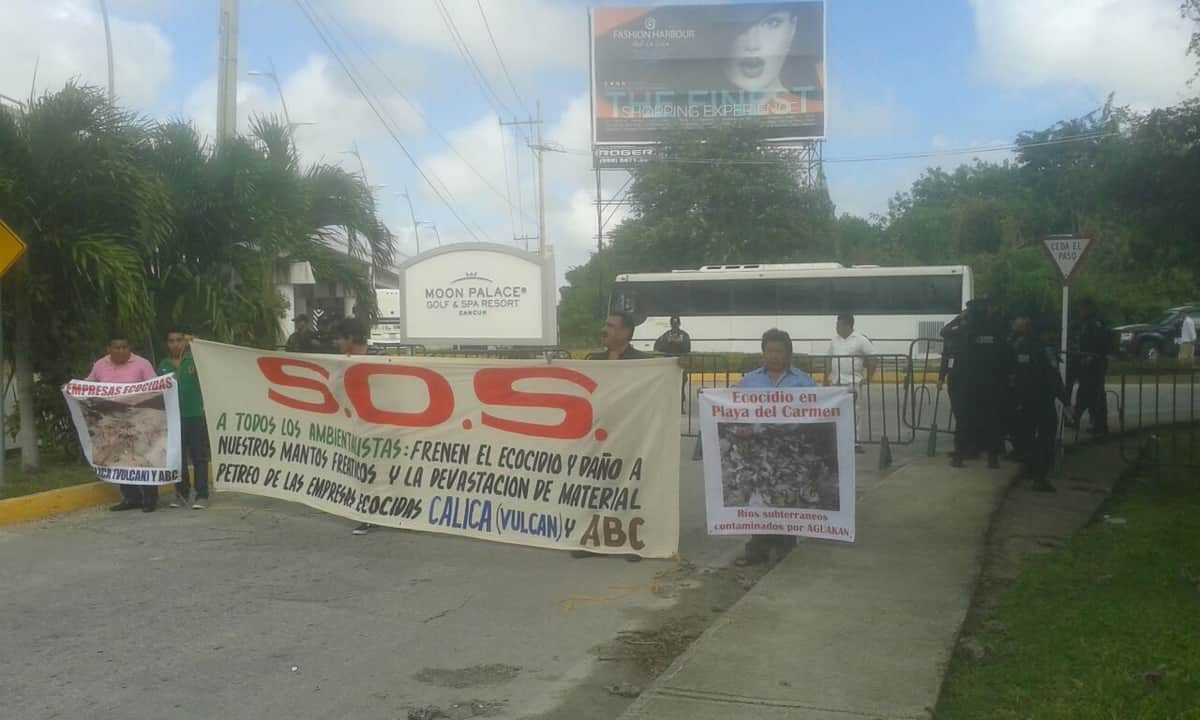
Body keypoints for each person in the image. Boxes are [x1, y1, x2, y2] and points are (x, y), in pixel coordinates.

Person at [734, 328, 818, 567]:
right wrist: (707, 397)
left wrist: (844, 398)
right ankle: (757, 547)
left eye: (779, 351)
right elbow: (729, 406)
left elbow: (823, 407)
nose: (774, 356)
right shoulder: (749, 381)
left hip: (791, 449)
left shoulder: (803, 382)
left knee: (786, 496)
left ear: (788, 353)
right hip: (758, 449)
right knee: (760, 496)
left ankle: (785, 546)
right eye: (769, 351)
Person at [574, 312, 650, 561]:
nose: (604, 329)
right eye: (605, 324)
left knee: (629, 488)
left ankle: (631, 541)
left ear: (625, 332)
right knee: (596, 487)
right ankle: (593, 540)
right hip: (600, 435)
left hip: (630, 434)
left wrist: (675, 369)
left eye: (610, 326)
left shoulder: (642, 362)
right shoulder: (595, 360)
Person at [86, 332, 160, 512]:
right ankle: (131, 497)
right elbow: (88, 385)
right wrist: (72, 388)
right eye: (116, 348)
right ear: (109, 349)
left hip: (138, 420)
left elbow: (156, 388)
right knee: (120, 458)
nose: (121, 351)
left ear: (129, 348)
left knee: (142, 457)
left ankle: (150, 498)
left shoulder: (142, 364)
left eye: (124, 347)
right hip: (113, 423)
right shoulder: (100, 365)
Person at [1014, 320, 1070, 492]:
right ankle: (1040, 478)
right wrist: (1066, 401)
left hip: (1024, 400)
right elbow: (1054, 377)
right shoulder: (1045, 349)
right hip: (1043, 401)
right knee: (1046, 438)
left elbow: (1014, 372)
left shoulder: (1020, 346)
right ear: (1044, 333)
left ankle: (1029, 470)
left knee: (1027, 436)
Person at [158, 327, 210, 510]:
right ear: (167, 344)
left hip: (194, 415)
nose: (175, 344)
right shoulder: (163, 365)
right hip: (174, 419)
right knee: (178, 458)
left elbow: (207, 353)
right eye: (171, 341)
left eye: (179, 340)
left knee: (199, 457)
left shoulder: (194, 359)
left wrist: (194, 340)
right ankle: (182, 493)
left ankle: (202, 495)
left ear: (184, 342)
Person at [333, 318, 375, 535]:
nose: (337, 342)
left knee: (376, 472)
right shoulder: (341, 362)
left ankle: (375, 514)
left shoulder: (379, 359)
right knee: (361, 472)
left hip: (380, 429)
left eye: (340, 338)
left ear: (349, 338)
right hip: (355, 426)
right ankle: (367, 514)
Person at [962, 298, 1009, 469]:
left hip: (974, 382)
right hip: (992, 382)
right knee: (992, 419)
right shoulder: (995, 329)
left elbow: (964, 356)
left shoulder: (969, 330)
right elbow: (1004, 354)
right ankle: (992, 457)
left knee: (970, 418)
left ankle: (967, 452)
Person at [824, 314, 875, 453]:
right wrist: (826, 378)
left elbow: (873, 359)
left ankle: (855, 442)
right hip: (836, 383)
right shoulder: (834, 341)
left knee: (854, 413)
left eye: (838, 325)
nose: (836, 327)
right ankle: (838, 440)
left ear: (847, 325)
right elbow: (828, 359)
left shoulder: (861, 340)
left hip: (852, 383)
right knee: (836, 412)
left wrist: (869, 378)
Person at [1073, 299, 1110, 436]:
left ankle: (1098, 424)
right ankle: (1088, 420)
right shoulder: (1085, 323)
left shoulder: (1095, 323)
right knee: (1086, 392)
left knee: (1095, 395)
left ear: (1088, 309)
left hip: (1095, 366)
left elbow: (1099, 343)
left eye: (1082, 309)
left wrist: (1091, 357)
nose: (1080, 312)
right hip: (1088, 365)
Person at [939, 311, 971, 466]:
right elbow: (946, 357)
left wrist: (957, 319)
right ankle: (962, 450)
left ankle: (963, 451)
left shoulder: (966, 332)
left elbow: (945, 331)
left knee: (964, 417)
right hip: (956, 380)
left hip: (966, 380)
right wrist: (941, 377)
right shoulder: (954, 336)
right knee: (960, 416)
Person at [654, 316, 692, 412]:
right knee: (669, 387)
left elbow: (687, 349)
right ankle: (669, 407)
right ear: (671, 324)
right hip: (669, 366)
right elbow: (657, 347)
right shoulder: (666, 335)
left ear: (679, 324)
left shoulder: (684, 335)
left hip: (680, 366)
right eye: (673, 324)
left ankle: (680, 407)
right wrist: (668, 342)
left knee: (680, 387)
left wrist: (680, 343)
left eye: (676, 324)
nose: (675, 326)